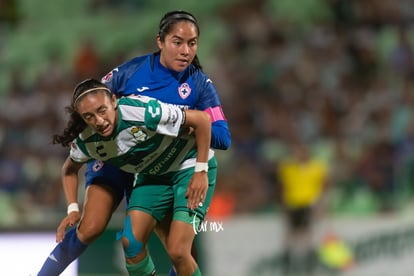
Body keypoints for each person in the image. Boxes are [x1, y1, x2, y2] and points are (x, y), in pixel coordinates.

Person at [38, 10, 231, 276]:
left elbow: (221, 136)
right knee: (92, 227)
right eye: (177, 42)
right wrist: (73, 206)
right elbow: (92, 105)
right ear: (160, 41)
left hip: (161, 162)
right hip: (116, 158)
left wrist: (173, 127)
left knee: (178, 249)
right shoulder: (128, 74)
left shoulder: (199, 84)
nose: (185, 50)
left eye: (192, 43)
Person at [54, 78, 216, 276]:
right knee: (130, 244)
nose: (99, 121)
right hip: (152, 177)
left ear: (114, 101)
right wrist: (72, 208)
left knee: (178, 251)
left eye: (102, 110)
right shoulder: (87, 140)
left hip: (187, 167)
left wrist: (201, 170)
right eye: (89, 116)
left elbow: (202, 120)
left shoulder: (141, 111)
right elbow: (69, 169)